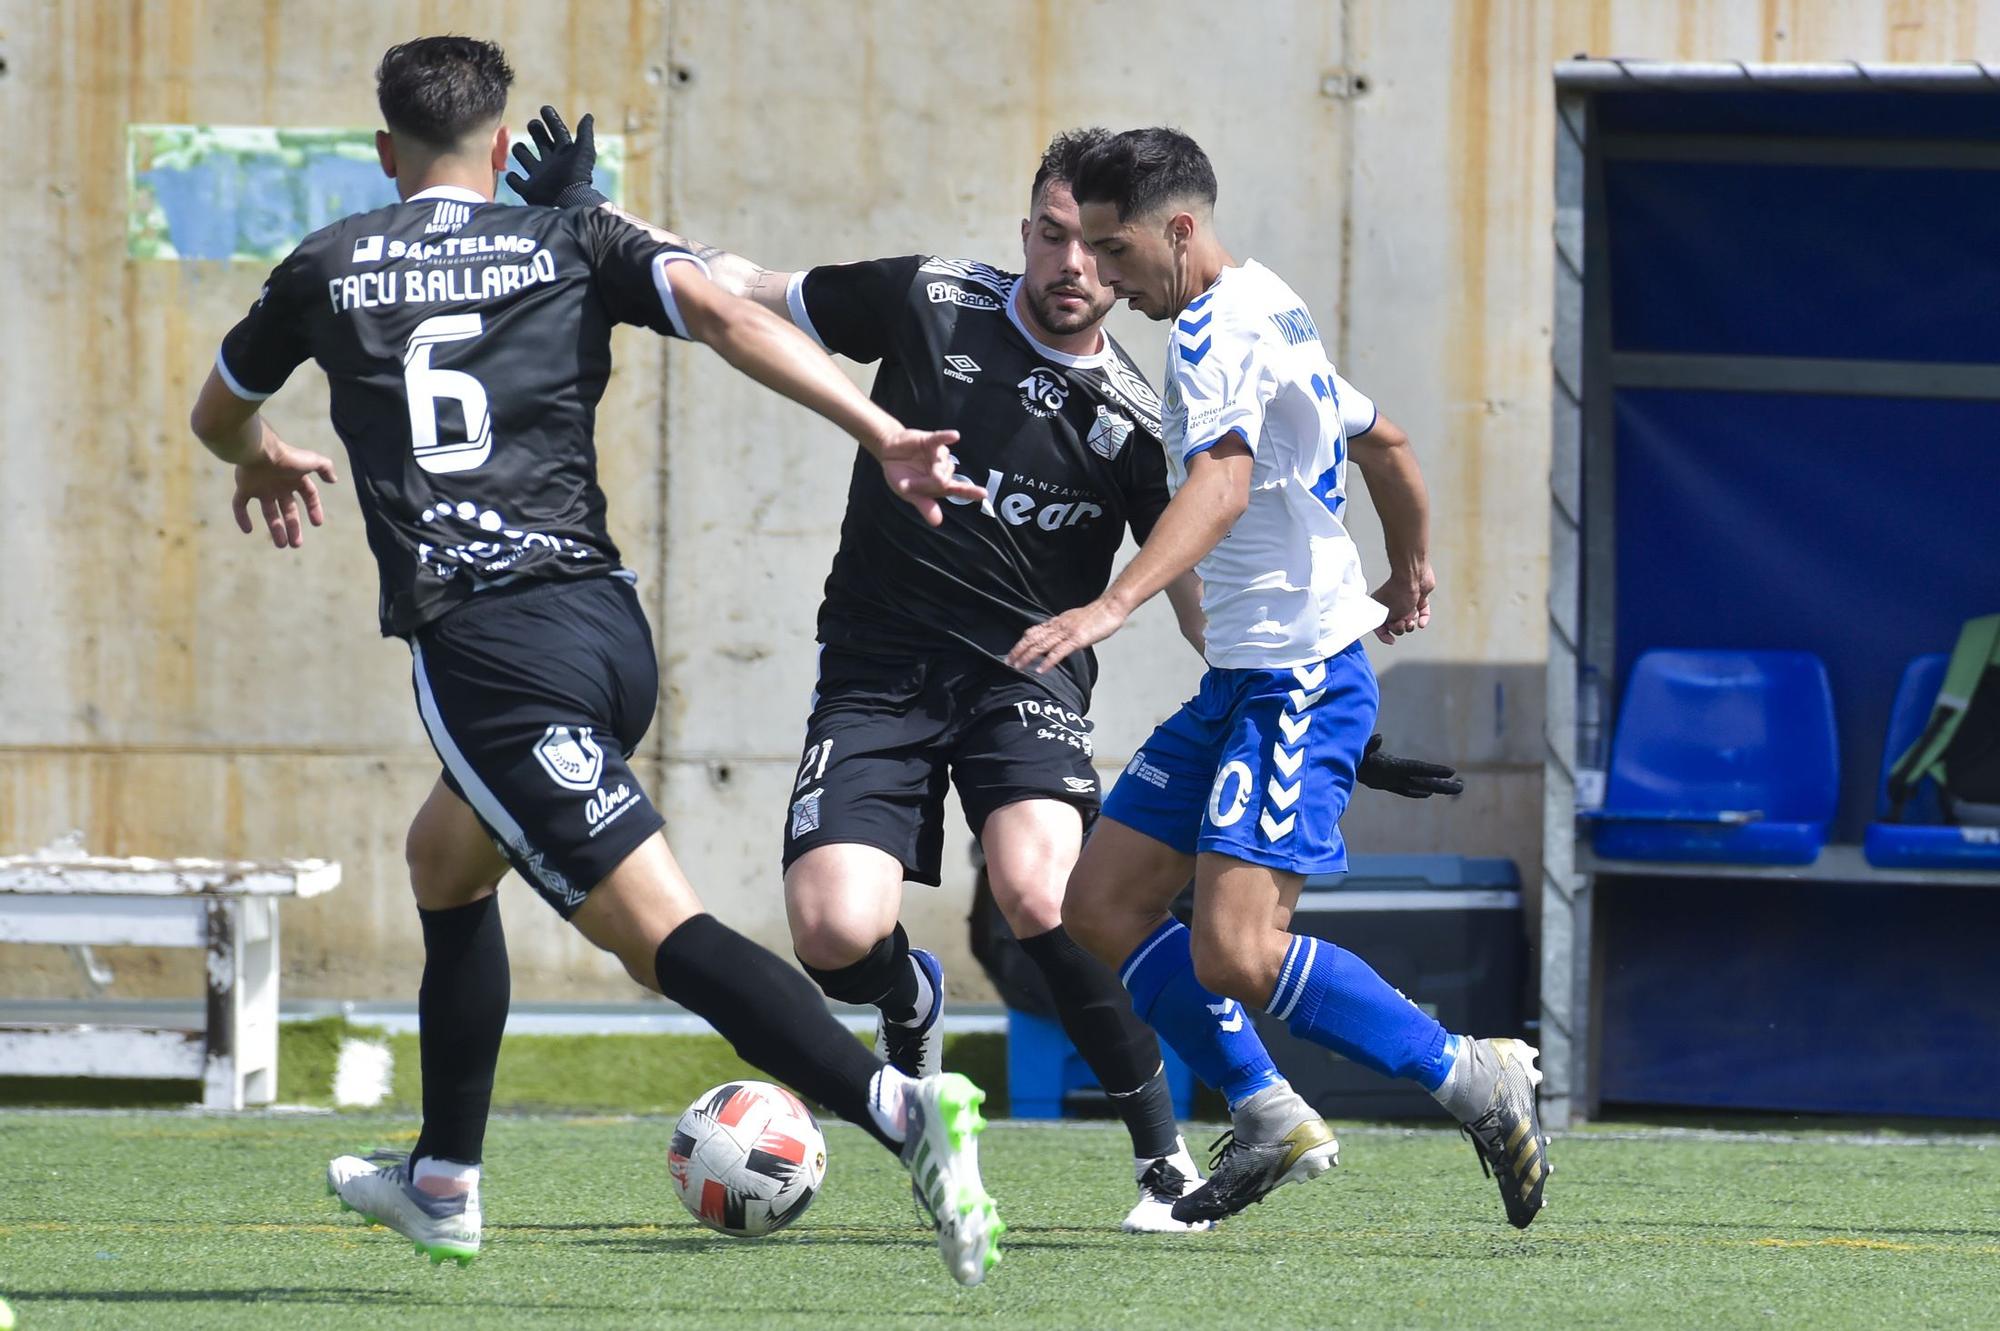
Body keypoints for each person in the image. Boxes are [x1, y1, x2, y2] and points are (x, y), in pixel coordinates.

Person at [508, 114, 1464, 1233]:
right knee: (829, 932)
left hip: (1024, 679)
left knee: (1045, 892)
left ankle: (1163, 1155)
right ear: (1028, 231)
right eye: (1055, 238)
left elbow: (1209, 606)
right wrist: (597, 217)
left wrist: (1341, 727)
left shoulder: (1139, 419)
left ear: (1129, 252)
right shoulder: (930, 297)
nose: (1076, 269)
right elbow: (742, 286)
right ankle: (906, 996)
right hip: (876, 669)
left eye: (1098, 250)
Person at [186, 36, 1001, 1284]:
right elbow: (731, 308)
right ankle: (444, 1179)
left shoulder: (327, 263)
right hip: (607, 632)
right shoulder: (572, 237)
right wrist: (881, 427)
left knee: (654, 931)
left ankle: (895, 1108)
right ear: (504, 148)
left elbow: (214, 412)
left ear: (384, 151)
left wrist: (256, 453)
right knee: (443, 859)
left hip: (490, 648)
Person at [1007, 127, 1550, 1229]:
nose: (1103, 279)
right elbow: (1385, 442)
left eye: (1114, 253)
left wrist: (1111, 604)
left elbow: (1216, 484)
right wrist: (1409, 566)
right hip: (1249, 681)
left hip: (1294, 678)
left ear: (1179, 229)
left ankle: (1465, 1074)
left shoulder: (1214, 333)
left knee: (1236, 951)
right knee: (1100, 904)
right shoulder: (1268, 302)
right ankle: (1262, 1108)